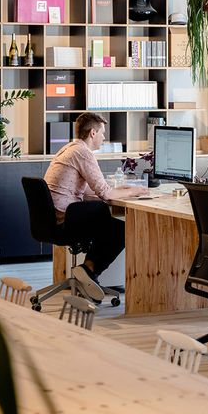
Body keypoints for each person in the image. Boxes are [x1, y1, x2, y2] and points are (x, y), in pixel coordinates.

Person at [44, 112, 148, 303]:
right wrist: (134, 191)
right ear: (92, 133)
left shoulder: (69, 148)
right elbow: (105, 194)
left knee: (107, 219)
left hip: (55, 218)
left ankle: (89, 274)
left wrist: (120, 190)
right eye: (102, 133)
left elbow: (86, 193)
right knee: (120, 229)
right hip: (66, 219)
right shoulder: (83, 153)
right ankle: (89, 270)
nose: (104, 137)